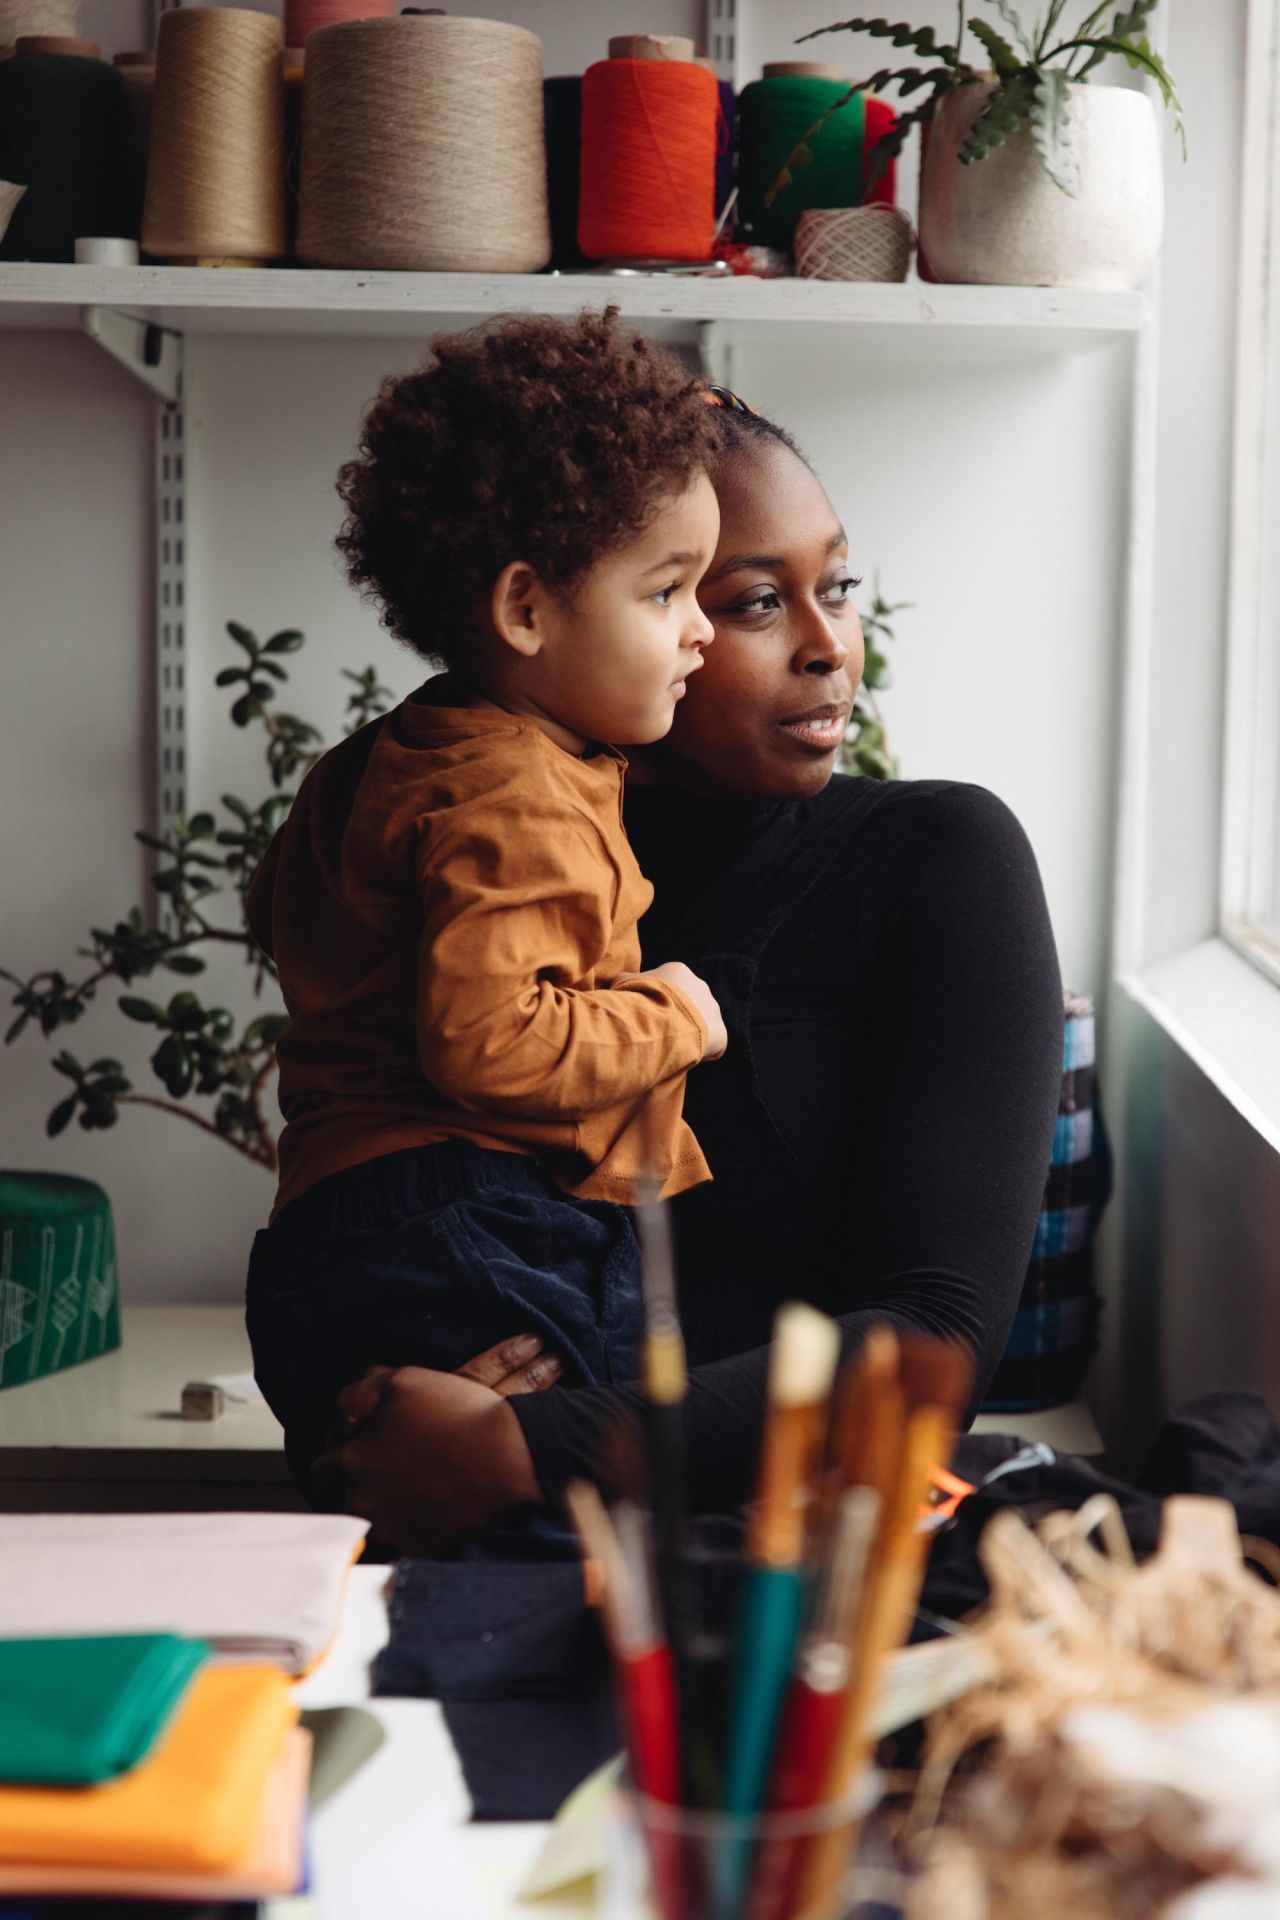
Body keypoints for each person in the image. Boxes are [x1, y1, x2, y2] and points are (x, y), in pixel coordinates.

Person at [308, 385, 1067, 1557]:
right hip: (437, 1548)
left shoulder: (935, 861)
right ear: (553, 613)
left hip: (759, 1570)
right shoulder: (462, 824)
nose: (827, 645)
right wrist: (372, 1399)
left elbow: (931, 1344)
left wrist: (524, 1445)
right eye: (749, 600)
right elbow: (357, 1167)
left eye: (840, 585)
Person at [244, 310, 731, 1489]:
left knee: (388, 1508)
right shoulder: (517, 793)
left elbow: (284, 915)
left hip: (337, 1223)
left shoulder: (396, 755)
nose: (702, 631)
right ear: (524, 608)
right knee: (560, 1509)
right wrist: (677, 1018)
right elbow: (486, 1042)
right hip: (470, 1216)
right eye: (666, 592)